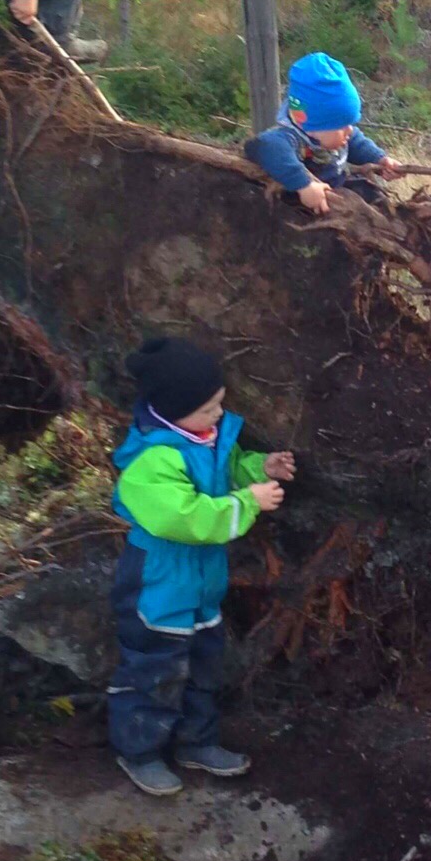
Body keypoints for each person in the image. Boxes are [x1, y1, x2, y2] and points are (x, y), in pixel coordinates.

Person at [109, 337, 292, 797]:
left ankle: (197, 741)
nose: (217, 414)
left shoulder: (206, 437)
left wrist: (260, 468)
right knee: (154, 667)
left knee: (204, 664)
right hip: (159, 579)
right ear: (173, 410)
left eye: (219, 404)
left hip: (203, 581)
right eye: (208, 408)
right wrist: (248, 503)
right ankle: (141, 751)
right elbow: (185, 518)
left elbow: (226, 470)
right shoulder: (153, 460)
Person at [244, 51, 406, 213]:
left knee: (373, 195)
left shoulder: (334, 133)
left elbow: (357, 143)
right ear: (314, 127)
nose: (349, 130)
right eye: (341, 126)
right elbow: (265, 145)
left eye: (349, 124)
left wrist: (380, 159)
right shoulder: (290, 138)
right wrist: (304, 185)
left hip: (338, 186)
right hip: (305, 204)